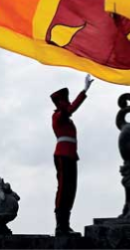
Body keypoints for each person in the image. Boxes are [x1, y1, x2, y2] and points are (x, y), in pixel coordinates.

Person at [51, 74, 93, 236]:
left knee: (70, 190)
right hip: (62, 154)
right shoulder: (58, 116)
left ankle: (65, 224)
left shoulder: (66, 118)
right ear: (60, 102)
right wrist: (84, 91)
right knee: (63, 189)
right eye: (65, 100)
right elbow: (70, 109)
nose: (68, 102)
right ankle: (60, 225)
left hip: (70, 155)